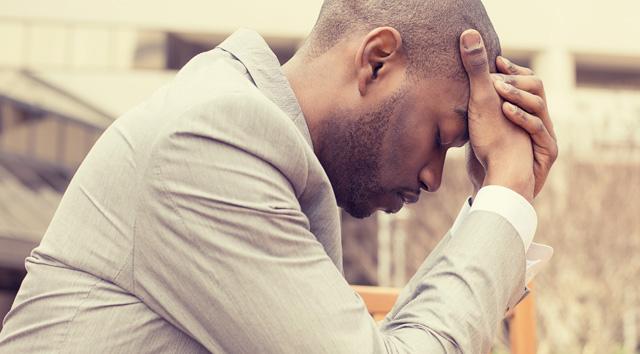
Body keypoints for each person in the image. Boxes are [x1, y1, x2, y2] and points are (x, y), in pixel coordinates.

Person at [0, 0, 558, 352]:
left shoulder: (255, 148)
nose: (436, 178)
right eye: (441, 137)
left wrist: (494, 205)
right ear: (377, 61)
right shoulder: (211, 140)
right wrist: (506, 199)